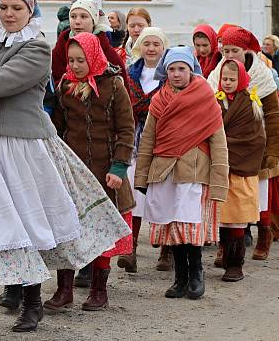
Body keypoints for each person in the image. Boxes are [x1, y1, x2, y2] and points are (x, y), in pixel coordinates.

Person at [0, 0, 128, 339]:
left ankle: (32, 302)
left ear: (30, 10)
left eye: (17, 7)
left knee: (24, 223)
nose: (9, 14)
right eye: (3, 8)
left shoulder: (37, 48)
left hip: (19, 145)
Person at [49, 31, 135, 311]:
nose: (74, 65)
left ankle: (99, 290)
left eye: (80, 60)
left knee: (102, 230)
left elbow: (125, 129)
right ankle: (64, 289)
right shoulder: (65, 86)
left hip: (104, 170)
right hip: (72, 172)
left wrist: (119, 166)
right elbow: (58, 129)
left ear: (94, 57)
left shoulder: (113, 86)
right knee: (68, 229)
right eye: (71, 60)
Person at [135, 46, 229, 300]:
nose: (177, 74)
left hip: (195, 170)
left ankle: (196, 274)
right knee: (171, 224)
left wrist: (220, 180)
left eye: (182, 69)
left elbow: (218, 142)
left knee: (189, 224)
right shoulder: (159, 99)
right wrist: (142, 176)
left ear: (191, 70)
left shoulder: (206, 98)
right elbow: (148, 139)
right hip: (164, 169)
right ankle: (180, 278)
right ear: (166, 72)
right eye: (172, 69)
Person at [208, 27, 279, 260]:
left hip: (258, 143)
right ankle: (226, 243)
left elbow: (273, 116)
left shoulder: (261, 74)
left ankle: (264, 236)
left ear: (246, 50)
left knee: (259, 195)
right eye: (225, 50)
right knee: (227, 197)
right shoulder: (218, 74)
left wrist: (274, 151)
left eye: (234, 50)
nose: (229, 55)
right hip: (227, 145)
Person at [118, 27, 169, 273]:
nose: (150, 48)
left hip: (162, 140)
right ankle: (131, 248)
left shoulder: (170, 74)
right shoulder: (130, 74)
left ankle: (167, 250)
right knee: (135, 196)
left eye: (155, 44)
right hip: (135, 142)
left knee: (163, 195)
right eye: (146, 43)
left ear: (163, 47)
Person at [214, 59, 265, 282]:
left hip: (241, 171)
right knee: (223, 218)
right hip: (220, 169)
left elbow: (255, 139)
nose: (227, 83)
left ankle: (236, 264)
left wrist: (224, 143)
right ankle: (225, 256)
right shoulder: (215, 101)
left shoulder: (249, 103)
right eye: (224, 78)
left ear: (241, 79)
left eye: (232, 79)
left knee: (237, 219)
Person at [51, 0, 125, 85]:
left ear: (94, 21)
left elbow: (123, 91)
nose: (77, 22)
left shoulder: (105, 51)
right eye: (73, 16)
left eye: (83, 16)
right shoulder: (61, 46)